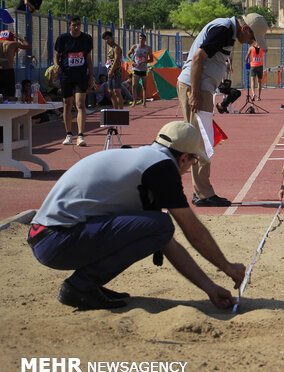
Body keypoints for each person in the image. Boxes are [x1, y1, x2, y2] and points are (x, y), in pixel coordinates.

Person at [27, 121, 246, 310]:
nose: (190, 168)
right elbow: (193, 231)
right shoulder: (161, 168)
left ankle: (87, 284)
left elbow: (166, 242)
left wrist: (210, 288)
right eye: (193, 162)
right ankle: (81, 285)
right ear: (184, 158)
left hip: (48, 236)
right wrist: (227, 267)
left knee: (158, 227)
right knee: (161, 225)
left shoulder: (142, 158)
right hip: (57, 241)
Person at [177, 13, 268, 207]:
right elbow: (198, 57)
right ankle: (202, 194)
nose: (250, 43)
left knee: (201, 140)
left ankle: (201, 191)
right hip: (197, 88)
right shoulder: (223, 30)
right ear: (245, 28)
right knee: (202, 141)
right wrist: (194, 93)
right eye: (252, 38)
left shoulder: (228, 31)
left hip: (202, 88)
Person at [54, 16, 94, 146]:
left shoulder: (87, 39)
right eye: (74, 25)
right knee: (67, 103)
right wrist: (56, 65)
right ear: (69, 26)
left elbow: (88, 58)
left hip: (81, 75)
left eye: (78, 25)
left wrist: (91, 75)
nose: (76, 27)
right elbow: (57, 55)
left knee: (80, 104)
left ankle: (81, 135)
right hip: (66, 75)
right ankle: (68, 134)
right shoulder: (62, 39)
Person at [0, 29, 31, 99]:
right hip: (8, 71)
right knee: (9, 96)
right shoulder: (12, 43)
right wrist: (19, 37)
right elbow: (28, 46)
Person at [127, 33, 154, 107]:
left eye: (142, 39)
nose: (141, 40)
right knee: (133, 85)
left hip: (144, 69)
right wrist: (132, 62)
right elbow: (128, 55)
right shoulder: (135, 47)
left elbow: (151, 59)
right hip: (136, 69)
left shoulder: (148, 48)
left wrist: (144, 61)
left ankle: (144, 102)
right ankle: (134, 101)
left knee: (144, 86)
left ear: (145, 40)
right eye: (140, 38)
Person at [102, 31, 123, 110]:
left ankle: (121, 111)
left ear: (112, 37)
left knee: (117, 91)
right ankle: (115, 109)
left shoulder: (116, 48)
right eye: (105, 39)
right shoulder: (109, 48)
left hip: (116, 72)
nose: (107, 41)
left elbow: (116, 60)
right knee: (110, 92)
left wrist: (112, 71)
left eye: (108, 38)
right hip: (110, 72)